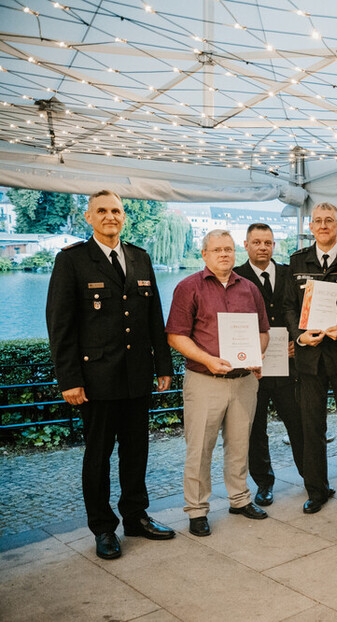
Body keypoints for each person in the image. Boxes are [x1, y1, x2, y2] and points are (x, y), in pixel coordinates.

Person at [45, 189, 175, 560]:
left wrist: (162, 366)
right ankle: (103, 527)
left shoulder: (139, 257)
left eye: (116, 210)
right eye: (101, 211)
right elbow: (60, 326)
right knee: (98, 456)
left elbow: (153, 319)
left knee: (137, 451)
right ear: (89, 217)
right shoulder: (72, 260)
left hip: (136, 377)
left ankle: (135, 516)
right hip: (96, 379)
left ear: (124, 216)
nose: (110, 217)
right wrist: (69, 379)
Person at [166, 229, 270, 537]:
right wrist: (208, 359)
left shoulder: (249, 288)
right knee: (199, 448)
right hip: (205, 379)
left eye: (228, 249)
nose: (224, 254)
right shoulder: (188, 288)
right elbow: (175, 336)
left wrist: (257, 354)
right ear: (205, 255)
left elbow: (263, 331)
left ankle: (239, 499)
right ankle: (197, 510)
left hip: (243, 380)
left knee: (239, 445)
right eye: (217, 250)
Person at [284, 202, 337, 513]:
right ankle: (317, 490)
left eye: (329, 220)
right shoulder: (296, 261)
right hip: (309, 356)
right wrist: (298, 335)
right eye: (317, 221)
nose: (322, 225)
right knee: (311, 427)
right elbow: (289, 306)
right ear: (311, 227)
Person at [234, 223, 304, 507]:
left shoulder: (289, 273)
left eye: (268, 242)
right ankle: (264, 482)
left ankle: (312, 478)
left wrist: (298, 343)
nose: (263, 247)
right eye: (257, 242)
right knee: (255, 428)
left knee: (299, 424)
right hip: (255, 368)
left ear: (274, 245)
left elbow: (302, 309)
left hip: (289, 364)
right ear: (246, 245)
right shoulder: (236, 276)